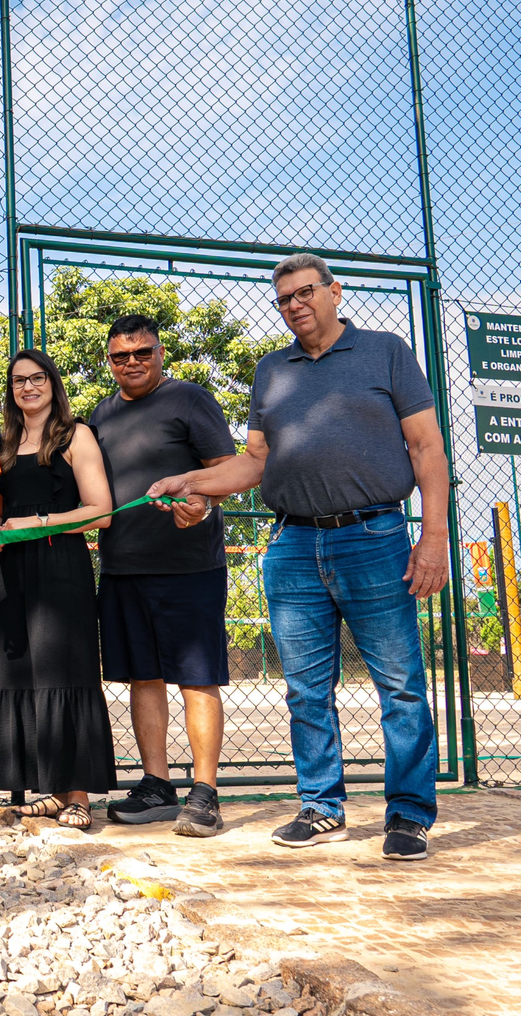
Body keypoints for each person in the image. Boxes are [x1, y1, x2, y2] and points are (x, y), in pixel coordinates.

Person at [149, 253, 448, 861]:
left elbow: (426, 446)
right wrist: (191, 482)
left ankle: (409, 815)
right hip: (291, 546)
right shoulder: (271, 372)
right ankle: (320, 806)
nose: (295, 305)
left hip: (374, 538)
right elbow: (255, 461)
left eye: (305, 292)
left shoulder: (386, 351)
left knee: (401, 687)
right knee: (306, 690)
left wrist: (435, 536)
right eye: (284, 298)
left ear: (335, 293)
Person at [86, 314, 238, 837]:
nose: (131, 363)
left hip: (190, 567)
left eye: (142, 353)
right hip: (124, 567)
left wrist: (200, 500)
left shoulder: (190, 400)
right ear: (109, 361)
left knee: (198, 678)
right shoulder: (100, 415)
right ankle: (157, 785)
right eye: (120, 356)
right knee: (142, 678)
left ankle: (205, 793)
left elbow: (228, 468)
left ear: (160, 352)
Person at [0, 349, 116, 829]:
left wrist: (40, 523)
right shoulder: (3, 443)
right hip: (12, 572)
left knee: (65, 671)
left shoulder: (75, 435)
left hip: (60, 564)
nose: (28, 388)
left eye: (37, 378)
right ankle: (50, 793)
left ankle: (78, 795)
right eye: (18, 381)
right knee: (20, 675)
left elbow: (101, 510)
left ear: (52, 383)